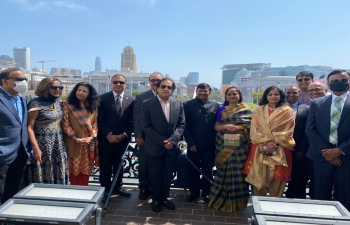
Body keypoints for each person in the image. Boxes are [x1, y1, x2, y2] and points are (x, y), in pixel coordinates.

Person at [306, 69, 350, 210]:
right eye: (335, 81)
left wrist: (340, 150)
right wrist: (329, 152)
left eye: (343, 80)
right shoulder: (317, 103)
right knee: (320, 194)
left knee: (345, 195)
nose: (339, 83)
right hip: (322, 156)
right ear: (329, 84)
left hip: (347, 156)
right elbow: (310, 130)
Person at [142, 78, 185, 212]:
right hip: (154, 146)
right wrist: (163, 141)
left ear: (172, 90)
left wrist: (172, 141)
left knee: (168, 174)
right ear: (157, 88)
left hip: (171, 147)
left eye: (169, 87)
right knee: (155, 174)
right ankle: (156, 199)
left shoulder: (178, 103)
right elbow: (145, 126)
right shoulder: (147, 103)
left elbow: (181, 124)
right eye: (163, 86)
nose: (166, 89)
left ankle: (165, 198)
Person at [244, 86, 295, 197]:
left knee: (277, 180)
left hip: (280, 148)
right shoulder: (259, 110)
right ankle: (259, 206)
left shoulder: (287, 110)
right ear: (266, 96)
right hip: (259, 148)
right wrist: (266, 143)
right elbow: (254, 130)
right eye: (270, 94)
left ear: (281, 96)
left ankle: (275, 207)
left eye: (276, 94)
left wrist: (274, 143)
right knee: (258, 177)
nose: (273, 96)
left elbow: (287, 131)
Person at [208, 86, 252, 212]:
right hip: (223, 143)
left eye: (234, 94)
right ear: (226, 96)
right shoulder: (221, 109)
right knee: (223, 170)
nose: (232, 96)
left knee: (238, 171)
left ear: (239, 96)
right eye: (229, 94)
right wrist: (225, 126)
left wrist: (240, 128)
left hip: (240, 146)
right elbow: (216, 127)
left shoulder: (246, 109)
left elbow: (250, 126)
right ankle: (219, 199)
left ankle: (238, 203)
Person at [27, 77, 69, 184]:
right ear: (45, 88)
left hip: (58, 143)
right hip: (42, 143)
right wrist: (35, 148)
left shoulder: (58, 102)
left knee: (59, 170)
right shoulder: (35, 104)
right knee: (43, 170)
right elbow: (29, 127)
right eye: (54, 87)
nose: (58, 90)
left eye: (60, 87)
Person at [98, 74, 134, 198]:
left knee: (120, 163)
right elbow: (99, 119)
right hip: (106, 139)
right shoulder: (102, 98)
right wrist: (108, 134)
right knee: (106, 163)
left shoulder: (131, 100)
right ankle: (105, 188)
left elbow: (133, 121)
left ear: (125, 84)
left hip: (123, 139)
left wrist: (124, 134)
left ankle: (117, 186)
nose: (118, 84)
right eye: (116, 82)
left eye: (121, 82)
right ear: (111, 83)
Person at [0, 68, 32, 204]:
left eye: (25, 79)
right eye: (19, 79)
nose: (23, 82)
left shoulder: (23, 99)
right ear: (4, 81)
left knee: (13, 190)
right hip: (3, 154)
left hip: (20, 153)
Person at [183, 83, 220, 203]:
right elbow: (185, 126)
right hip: (193, 145)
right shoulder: (188, 105)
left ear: (209, 92)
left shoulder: (215, 105)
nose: (203, 93)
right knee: (192, 170)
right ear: (196, 91)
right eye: (200, 91)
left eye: (205, 91)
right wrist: (191, 143)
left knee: (207, 170)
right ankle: (193, 192)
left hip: (210, 145)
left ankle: (206, 193)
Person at [61, 82, 99, 186]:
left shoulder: (93, 106)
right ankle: (74, 192)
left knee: (85, 169)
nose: (80, 93)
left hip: (87, 144)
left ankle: (84, 191)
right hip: (73, 142)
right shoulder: (67, 104)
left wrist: (91, 137)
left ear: (89, 94)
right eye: (79, 90)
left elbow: (95, 123)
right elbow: (65, 123)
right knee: (74, 169)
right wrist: (75, 138)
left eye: (84, 91)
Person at [133, 72, 164, 200]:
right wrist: (138, 136)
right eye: (153, 80)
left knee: (159, 165)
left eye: (158, 80)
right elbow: (137, 118)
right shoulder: (141, 97)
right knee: (144, 165)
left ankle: (156, 188)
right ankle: (144, 188)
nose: (155, 82)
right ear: (149, 82)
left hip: (162, 138)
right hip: (146, 138)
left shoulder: (167, 96)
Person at [284, 86, 309, 199]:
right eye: (288, 92)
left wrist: (303, 149)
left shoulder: (306, 109)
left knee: (298, 176)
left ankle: (295, 200)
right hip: (280, 148)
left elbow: (308, 131)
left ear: (299, 94)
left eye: (294, 92)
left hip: (298, 148)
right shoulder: (278, 108)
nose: (291, 94)